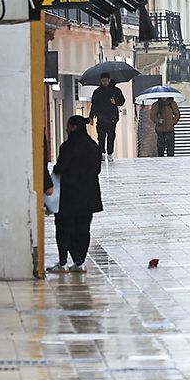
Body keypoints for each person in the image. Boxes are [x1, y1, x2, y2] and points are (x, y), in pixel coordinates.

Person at [51, 115, 103, 272]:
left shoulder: (67, 146)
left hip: (69, 196)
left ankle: (63, 261)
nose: (66, 129)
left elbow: (59, 169)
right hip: (88, 196)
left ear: (73, 127)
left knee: (64, 227)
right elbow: (97, 169)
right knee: (83, 228)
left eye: (68, 126)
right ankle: (79, 262)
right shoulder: (93, 146)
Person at [90, 73, 125, 159]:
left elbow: (122, 101)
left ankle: (110, 153)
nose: (104, 82)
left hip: (112, 117)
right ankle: (101, 152)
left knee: (111, 135)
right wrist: (91, 117)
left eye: (106, 81)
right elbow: (94, 105)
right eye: (103, 81)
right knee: (101, 136)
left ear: (109, 80)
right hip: (101, 117)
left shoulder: (116, 90)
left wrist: (115, 102)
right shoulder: (97, 92)